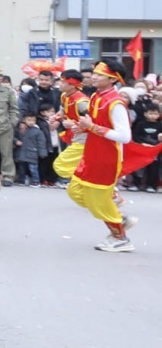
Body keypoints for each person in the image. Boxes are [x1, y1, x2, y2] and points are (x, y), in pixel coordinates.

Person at [66, 61, 136, 251]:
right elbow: (95, 124)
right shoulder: (96, 96)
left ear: (113, 79)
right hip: (92, 154)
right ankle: (117, 217)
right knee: (75, 191)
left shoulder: (116, 103)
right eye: (94, 73)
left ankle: (120, 238)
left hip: (107, 158)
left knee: (97, 200)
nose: (94, 76)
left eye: (99, 74)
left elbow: (124, 136)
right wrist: (82, 127)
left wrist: (92, 127)